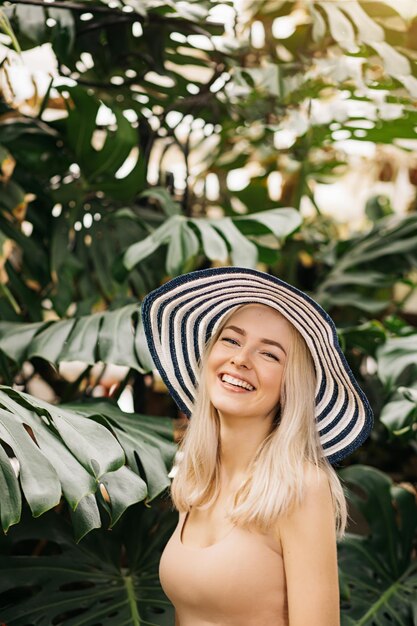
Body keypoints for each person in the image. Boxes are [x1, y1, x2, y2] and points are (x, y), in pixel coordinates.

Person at [141, 266, 373, 626]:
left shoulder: (301, 488)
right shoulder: (197, 474)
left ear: (289, 386)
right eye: (231, 340)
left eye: (270, 355)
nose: (240, 359)